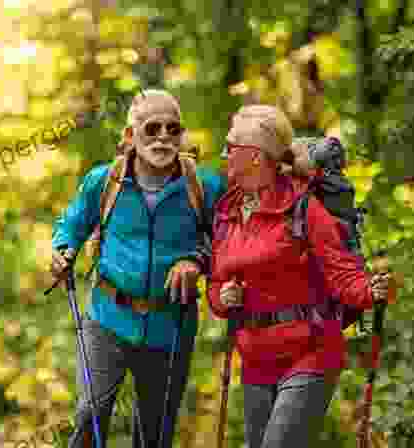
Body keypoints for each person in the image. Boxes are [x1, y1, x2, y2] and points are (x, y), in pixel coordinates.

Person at [207, 104, 391, 448]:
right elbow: (217, 282)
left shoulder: (305, 207)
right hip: (256, 359)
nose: (224, 154)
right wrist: (222, 297)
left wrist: (371, 289)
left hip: (310, 351)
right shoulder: (228, 211)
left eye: (231, 147)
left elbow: (343, 274)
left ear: (256, 157)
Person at [51, 89, 225, 447]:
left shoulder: (204, 187)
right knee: (91, 414)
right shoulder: (104, 181)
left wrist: (196, 260)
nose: (163, 137)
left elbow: (227, 241)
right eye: (151, 128)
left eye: (172, 129)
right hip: (107, 318)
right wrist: (63, 250)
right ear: (130, 136)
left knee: (154, 432)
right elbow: (71, 224)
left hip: (171, 322)